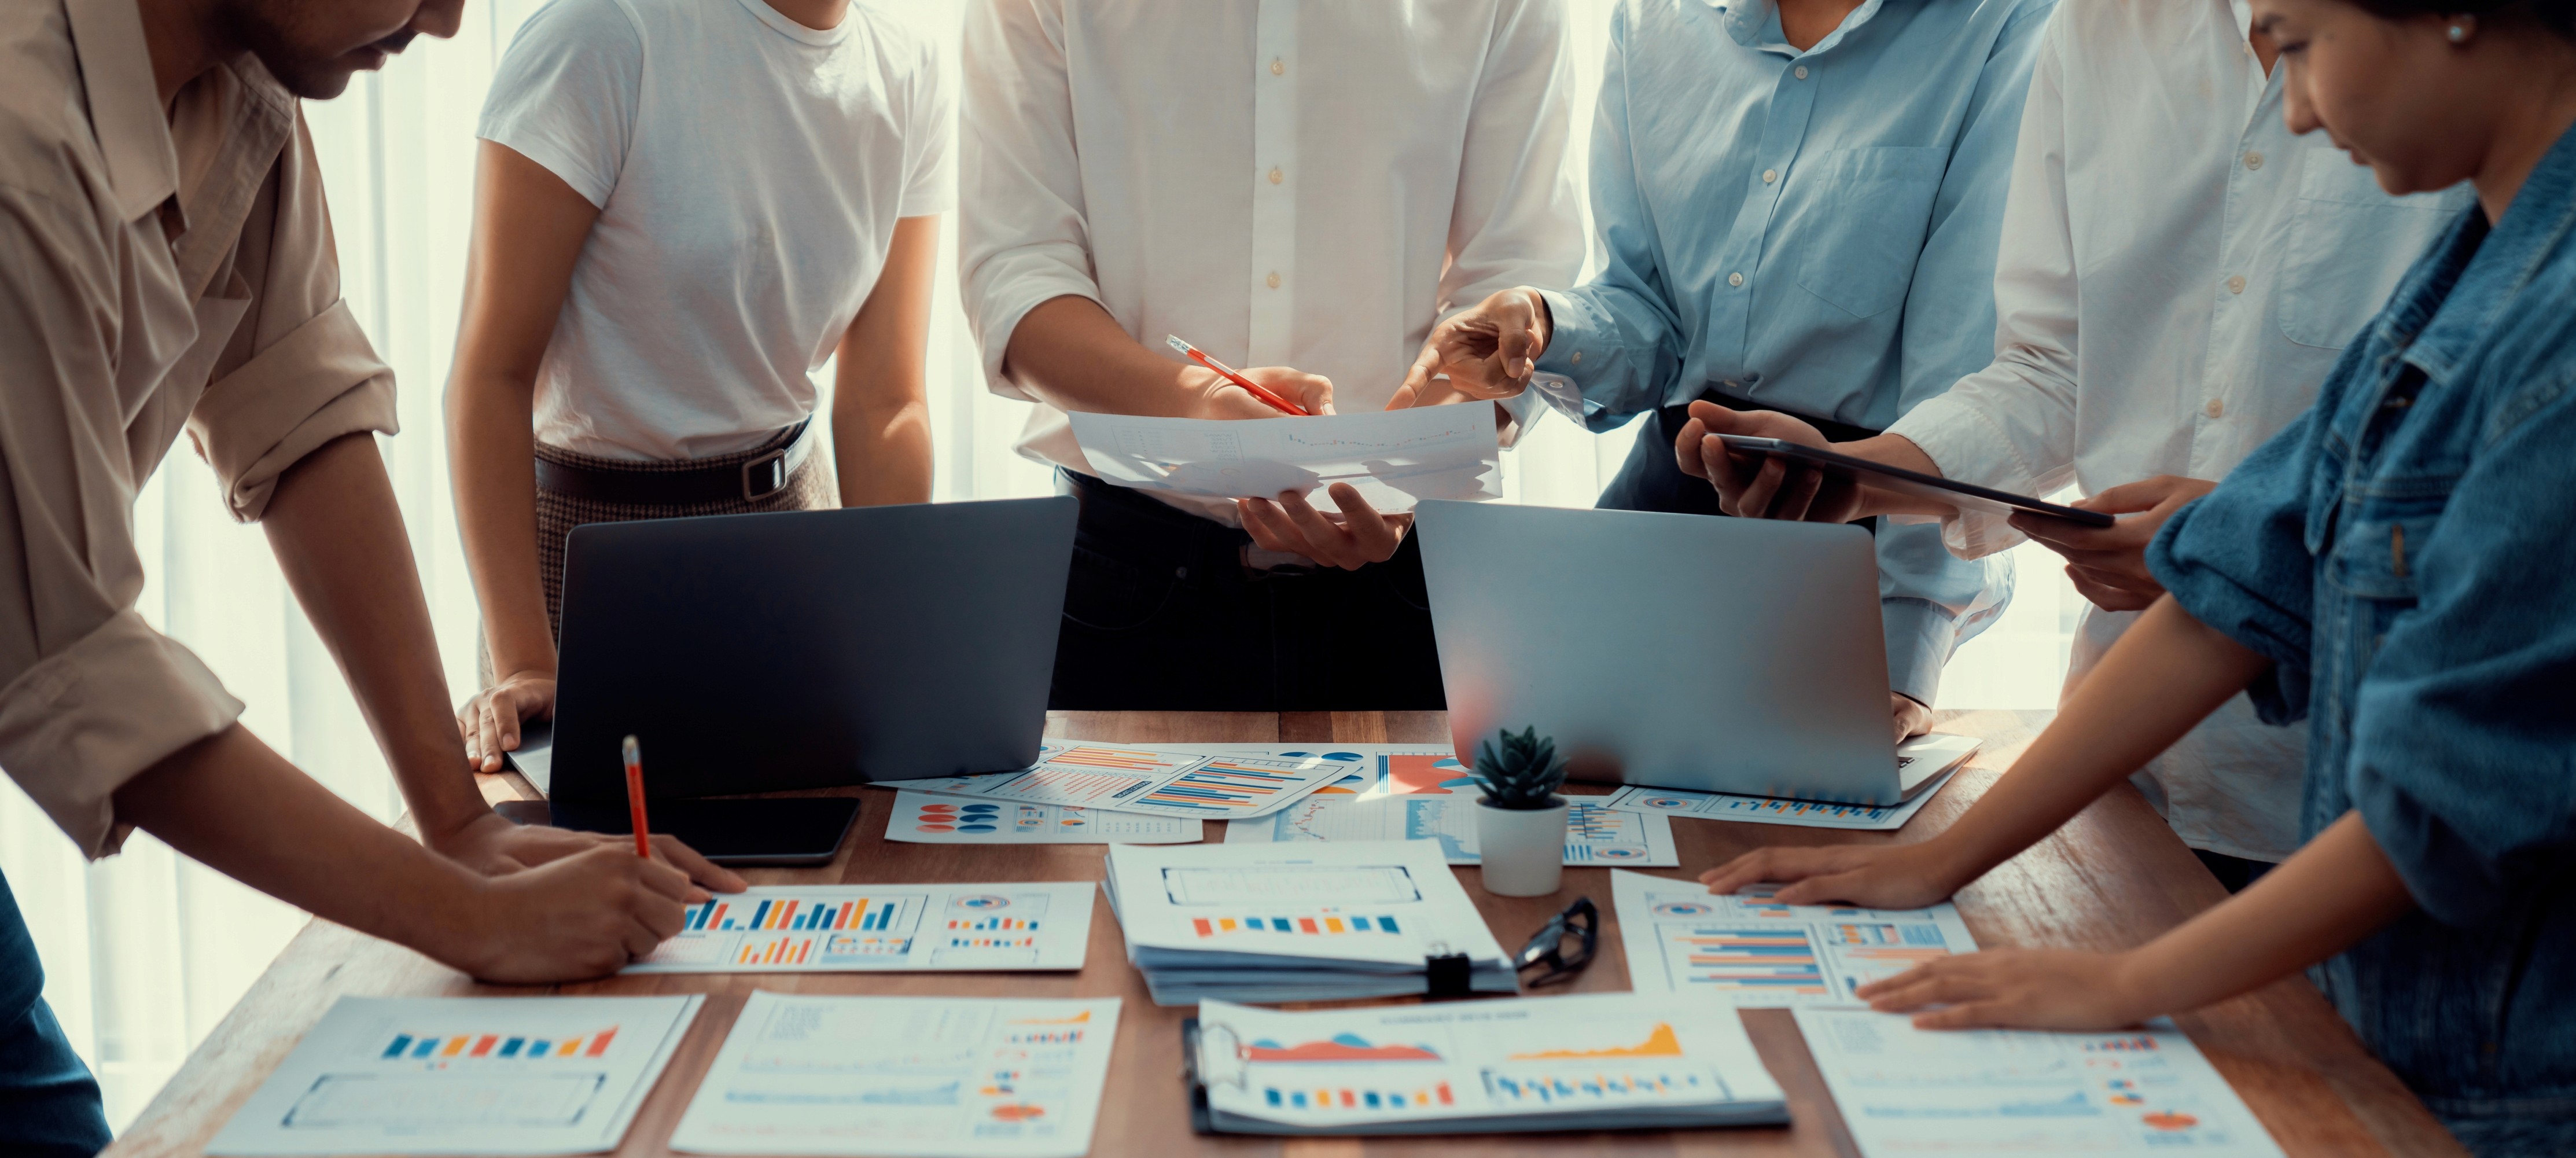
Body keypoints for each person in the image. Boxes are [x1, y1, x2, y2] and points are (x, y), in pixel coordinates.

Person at [1705, 0, 2576, 1148]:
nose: (2300, 109)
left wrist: (2126, 984)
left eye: (2303, 48)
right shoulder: (2474, 265)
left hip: (2508, 1080)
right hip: (2385, 1007)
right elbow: (2236, 576)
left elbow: (2443, 799)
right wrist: (1939, 861)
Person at [0, 1, 737, 1150]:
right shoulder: (19, 140)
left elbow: (298, 408)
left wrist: (456, 820)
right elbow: (68, 659)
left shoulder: (240, 77)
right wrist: (472, 919)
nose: (445, 19)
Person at [1675, 0, 2473, 889]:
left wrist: (2230, 546)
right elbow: (2055, 367)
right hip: (2121, 764)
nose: (2303, 117)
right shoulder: (2095, 26)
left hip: (2374, 782)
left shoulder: (2481, 85)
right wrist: (1866, 477)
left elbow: (2471, 492)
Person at [1416, 0, 2049, 740]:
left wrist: (1906, 646)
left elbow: (1962, 367)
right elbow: (1651, 316)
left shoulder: (2005, 21)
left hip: (1861, 531)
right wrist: (1549, 326)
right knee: (1518, 788)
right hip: (1665, 511)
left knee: (1796, 843)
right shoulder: (1655, 22)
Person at [959, 0, 1583, 711]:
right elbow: (1016, 268)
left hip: (1417, 587)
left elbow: (1521, 278)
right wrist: (1188, 400)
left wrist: (1408, 473)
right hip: (1126, 582)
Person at [449, 0, 950, 767]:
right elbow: (490, 375)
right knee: (599, 868)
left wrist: (894, 627)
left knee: (819, 861)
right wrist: (524, 659)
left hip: (793, 538)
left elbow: (885, 400)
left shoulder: (907, 70)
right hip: (588, 554)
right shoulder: (602, 36)